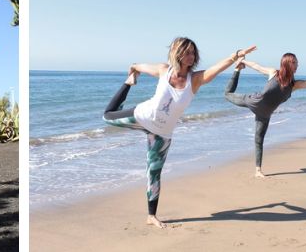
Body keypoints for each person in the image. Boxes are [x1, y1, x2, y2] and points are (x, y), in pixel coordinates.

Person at [102, 38, 256, 228]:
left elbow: (216, 68)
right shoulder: (163, 70)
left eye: (193, 53)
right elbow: (140, 66)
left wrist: (234, 56)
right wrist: (133, 69)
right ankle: (127, 84)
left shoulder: (195, 79)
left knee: (154, 173)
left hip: (163, 134)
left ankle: (151, 216)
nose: (191, 56)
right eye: (188, 52)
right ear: (177, 52)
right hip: (142, 117)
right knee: (107, 116)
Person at [224, 54, 306, 178]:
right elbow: (257, 66)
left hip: (265, 114)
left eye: (297, 63)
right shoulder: (273, 73)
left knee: (259, 140)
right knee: (227, 94)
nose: (297, 65)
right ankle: (237, 69)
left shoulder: (294, 85)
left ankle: (258, 170)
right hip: (253, 101)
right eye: (294, 62)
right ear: (286, 63)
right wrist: (243, 62)